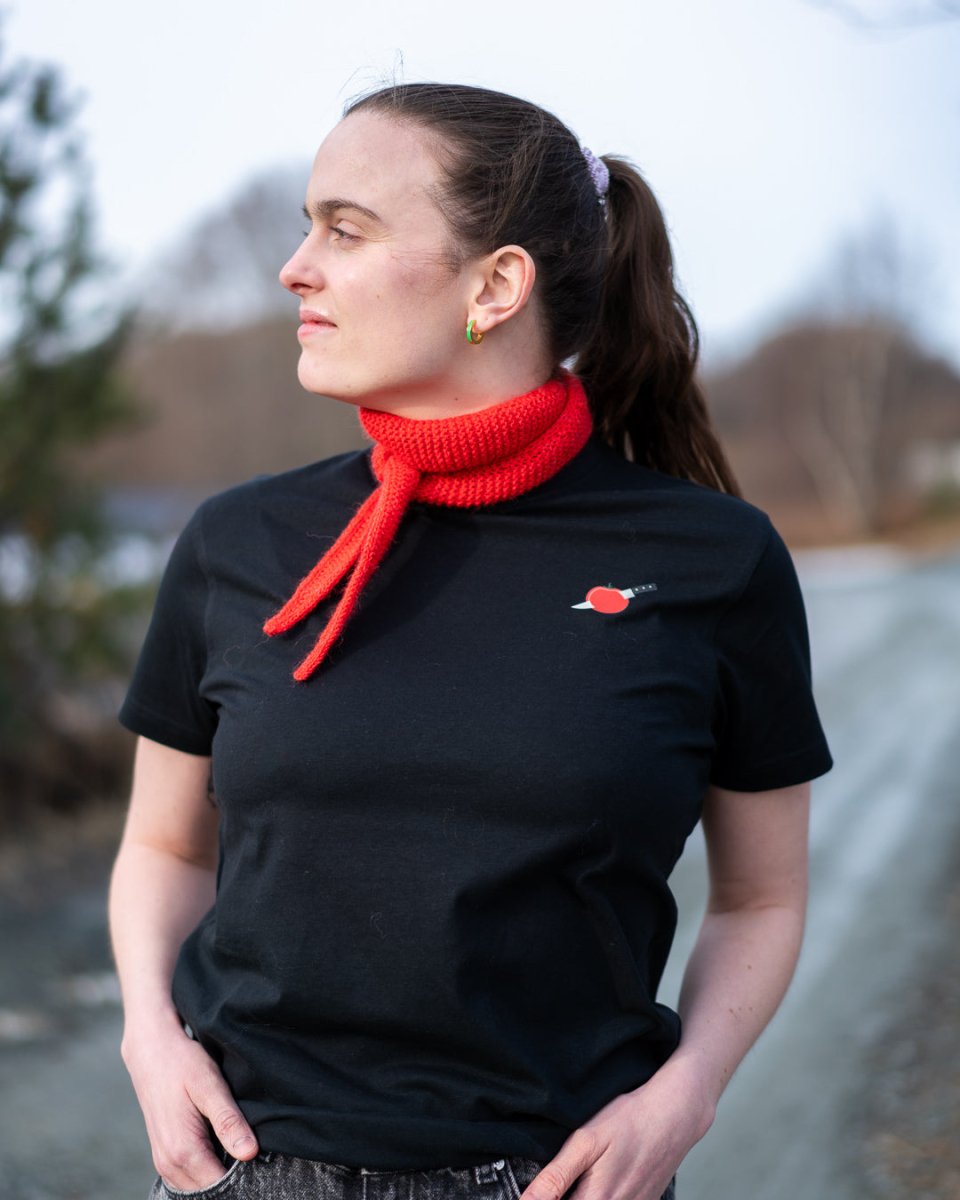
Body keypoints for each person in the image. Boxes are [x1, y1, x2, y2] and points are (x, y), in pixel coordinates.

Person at [108, 81, 833, 1200]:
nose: (295, 268)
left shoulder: (715, 559)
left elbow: (762, 897)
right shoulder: (235, 541)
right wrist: (149, 1042)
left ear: (495, 285)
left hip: (560, 1176)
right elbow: (165, 848)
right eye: (307, 227)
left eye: (345, 230)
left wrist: (687, 1095)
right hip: (246, 1164)